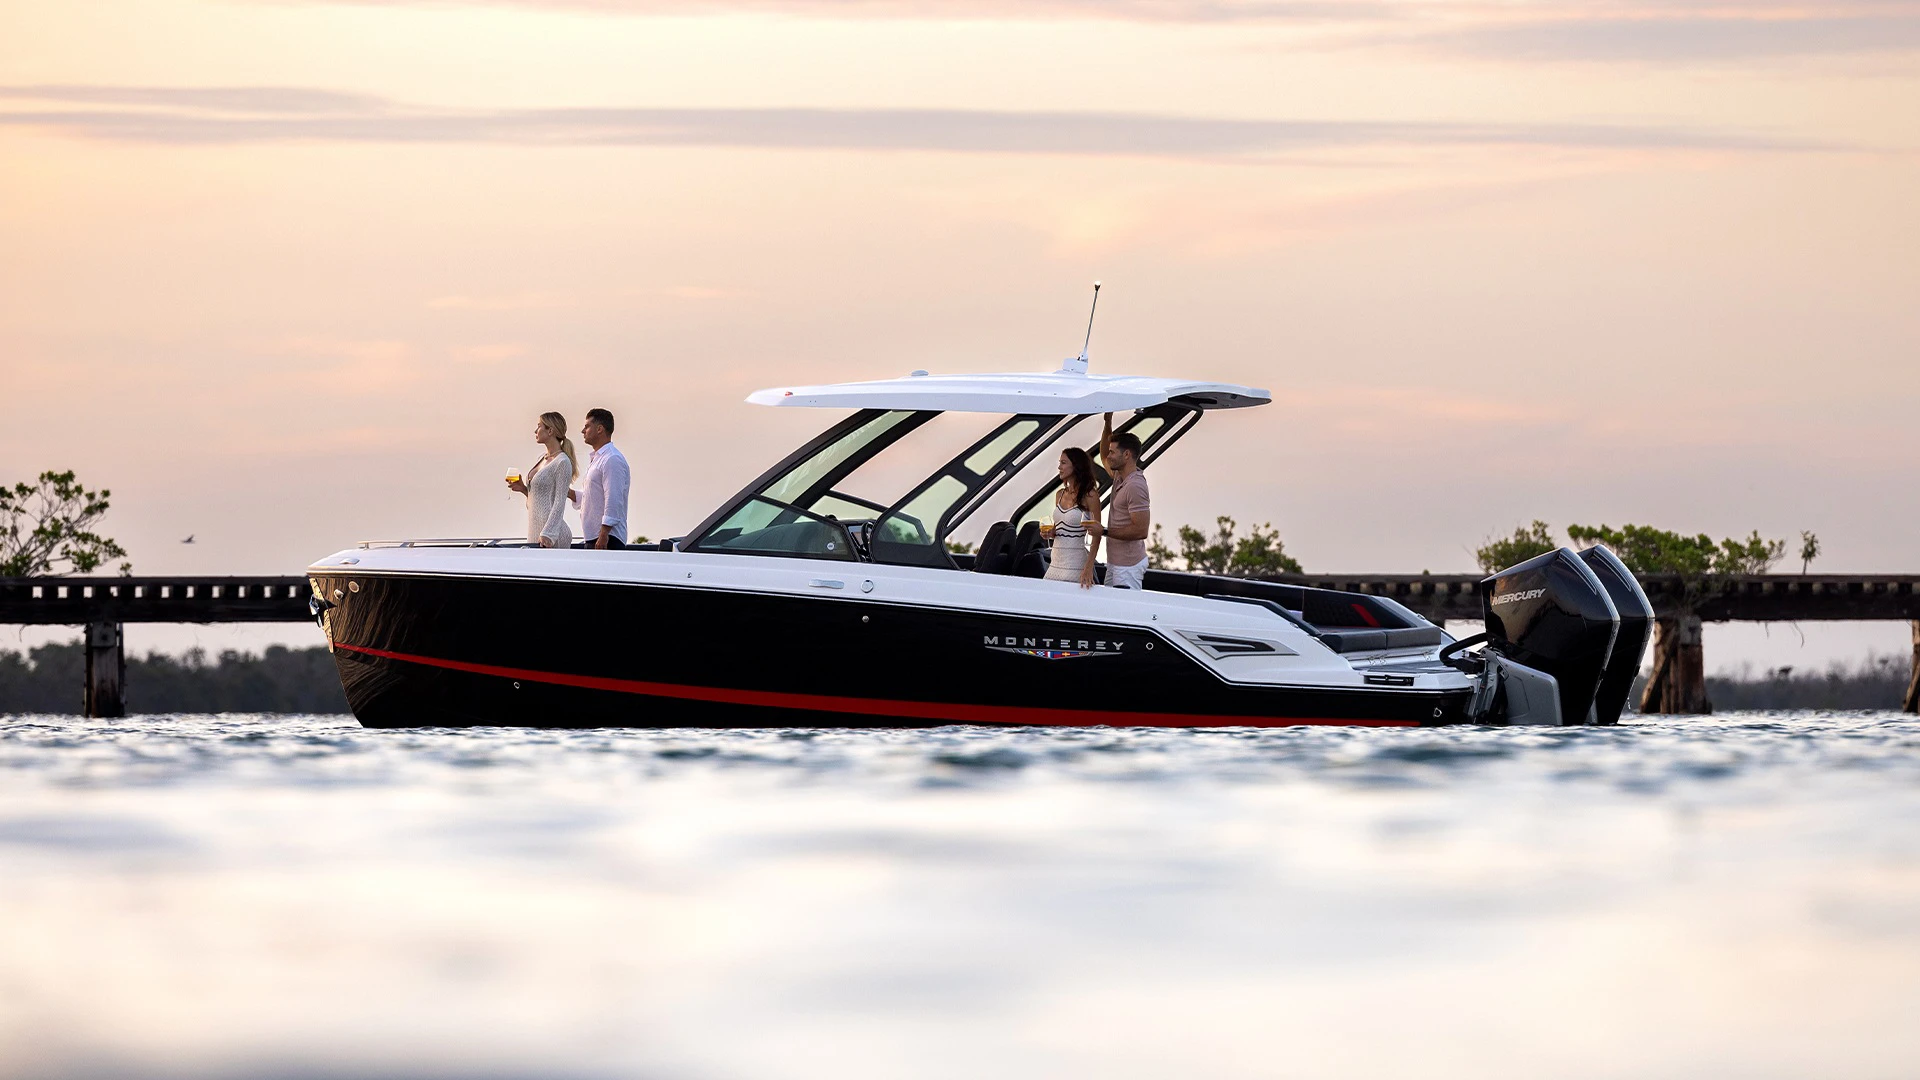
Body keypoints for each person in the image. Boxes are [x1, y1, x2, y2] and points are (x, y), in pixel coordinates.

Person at [506, 411, 578, 548]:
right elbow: (538, 503)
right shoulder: (542, 459)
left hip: (551, 537)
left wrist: (548, 534)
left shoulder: (562, 462)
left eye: (539, 426)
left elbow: (559, 502)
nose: (535, 430)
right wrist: (523, 489)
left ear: (550, 430)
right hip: (536, 532)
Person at [1099, 412, 1151, 589]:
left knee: (1125, 612)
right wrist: (1108, 423)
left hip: (1128, 567)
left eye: (1114, 452)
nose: (1109, 456)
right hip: (1115, 562)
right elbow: (1104, 453)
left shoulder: (1135, 486)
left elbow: (1140, 530)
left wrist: (1104, 531)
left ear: (1127, 454)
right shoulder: (1119, 477)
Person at [569, 407, 631, 549]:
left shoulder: (612, 459)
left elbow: (613, 498)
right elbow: (591, 497)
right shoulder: (598, 459)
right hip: (595, 538)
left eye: (587, 426)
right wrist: (568, 493)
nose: (583, 431)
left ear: (599, 429)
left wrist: (603, 534)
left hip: (607, 539)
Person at [1043, 447, 1103, 589]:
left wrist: (1088, 568)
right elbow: (1059, 528)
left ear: (1076, 466)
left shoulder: (1091, 496)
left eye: (1063, 463)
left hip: (1076, 567)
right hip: (1054, 565)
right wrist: (1051, 533)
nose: (1059, 467)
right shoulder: (1060, 494)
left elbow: (1097, 535)